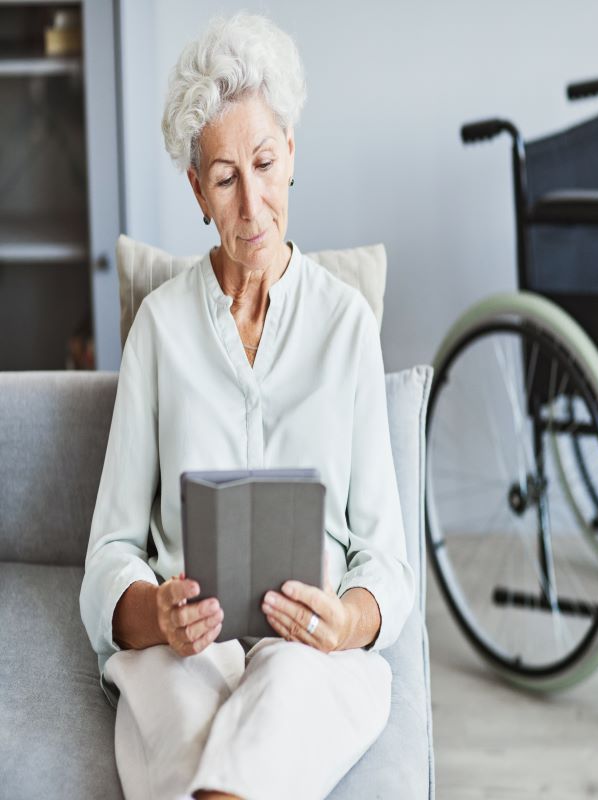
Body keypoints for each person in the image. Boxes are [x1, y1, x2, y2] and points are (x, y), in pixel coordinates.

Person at [79, 12, 414, 800]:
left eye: (264, 163)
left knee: (284, 698)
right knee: (191, 714)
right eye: (225, 178)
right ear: (197, 190)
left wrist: (350, 621)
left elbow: (388, 563)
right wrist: (155, 616)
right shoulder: (159, 329)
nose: (253, 203)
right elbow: (108, 555)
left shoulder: (345, 326)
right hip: (184, 651)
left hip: (310, 655)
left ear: (292, 153)